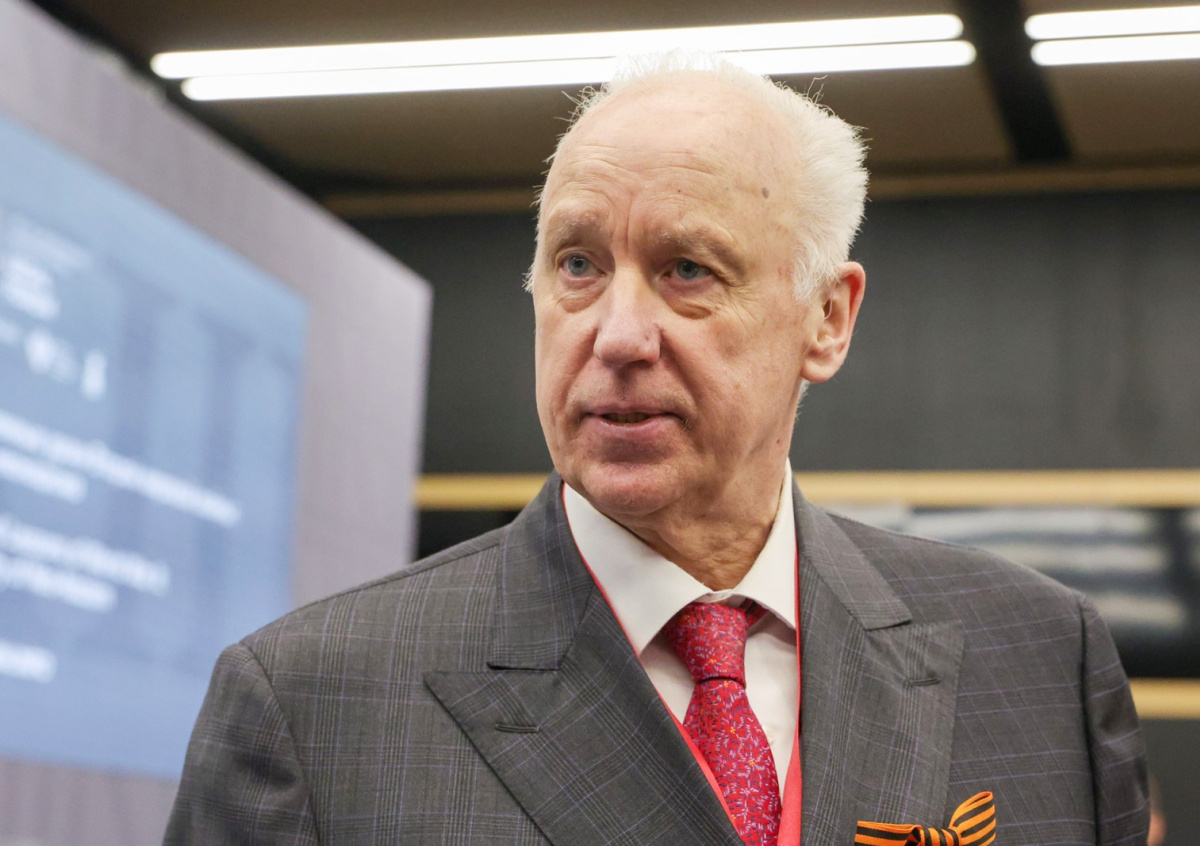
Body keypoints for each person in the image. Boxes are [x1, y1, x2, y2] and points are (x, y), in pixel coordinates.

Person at [165, 54, 1149, 845]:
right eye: (578, 264)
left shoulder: (1038, 660)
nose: (619, 334)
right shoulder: (311, 705)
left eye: (687, 269)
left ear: (828, 319)